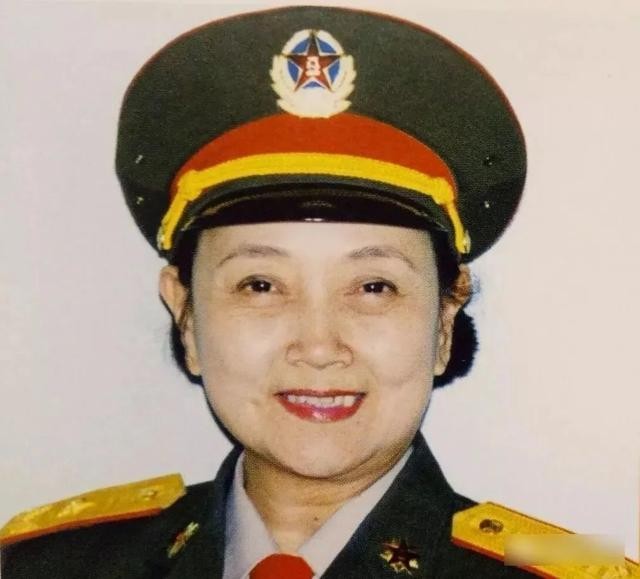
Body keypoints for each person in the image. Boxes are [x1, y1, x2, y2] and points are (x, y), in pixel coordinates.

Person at [1, 5, 637, 579]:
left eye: (373, 286)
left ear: (445, 322)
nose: (318, 346)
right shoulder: (45, 565)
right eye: (260, 285)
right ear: (185, 314)